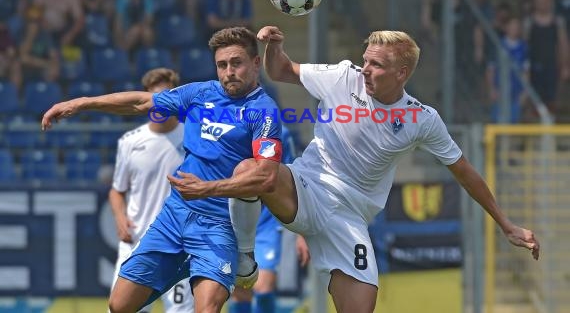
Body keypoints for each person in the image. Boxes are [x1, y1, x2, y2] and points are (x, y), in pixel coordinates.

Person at [168, 25, 541, 313]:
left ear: (402, 72)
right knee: (253, 166)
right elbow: (280, 70)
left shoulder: (422, 118)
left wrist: (505, 223)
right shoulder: (343, 76)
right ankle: (245, 257)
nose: (366, 69)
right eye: (366, 59)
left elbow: (464, 172)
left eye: (377, 65)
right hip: (306, 187)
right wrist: (274, 46)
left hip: (349, 217)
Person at [41, 27, 283, 313]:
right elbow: (142, 101)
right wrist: (82, 103)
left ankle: (243, 252)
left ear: (255, 63)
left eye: (236, 62)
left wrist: (206, 189)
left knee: (206, 309)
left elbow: (266, 177)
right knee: (119, 305)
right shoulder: (200, 93)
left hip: (219, 225)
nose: (229, 71)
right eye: (222, 65)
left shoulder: (264, 110)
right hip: (175, 217)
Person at [109, 68, 194, 313]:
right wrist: (120, 218)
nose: (162, 102)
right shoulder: (130, 142)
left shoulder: (193, 136)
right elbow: (117, 190)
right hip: (136, 243)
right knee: (123, 308)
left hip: (179, 244)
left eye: (168, 95)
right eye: (156, 96)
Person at [230, 126, 310, 313]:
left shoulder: (281, 132)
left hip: (267, 222)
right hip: (234, 220)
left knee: (263, 286)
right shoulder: (228, 128)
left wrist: (302, 233)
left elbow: (293, 182)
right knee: (241, 289)